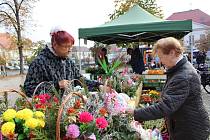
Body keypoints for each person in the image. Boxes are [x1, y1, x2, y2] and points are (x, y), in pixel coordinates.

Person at [126, 37, 210, 140]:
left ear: (172, 53)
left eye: (161, 57)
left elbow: (166, 107)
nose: (160, 61)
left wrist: (135, 113)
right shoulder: (178, 69)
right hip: (186, 125)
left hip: (190, 130)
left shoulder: (183, 76)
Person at [24, 27, 100, 97]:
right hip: (48, 109)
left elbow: (79, 80)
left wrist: (97, 86)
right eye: (66, 47)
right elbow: (29, 89)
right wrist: (57, 85)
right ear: (54, 45)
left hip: (69, 107)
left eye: (70, 46)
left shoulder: (69, 62)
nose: (69, 50)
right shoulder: (39, 62)